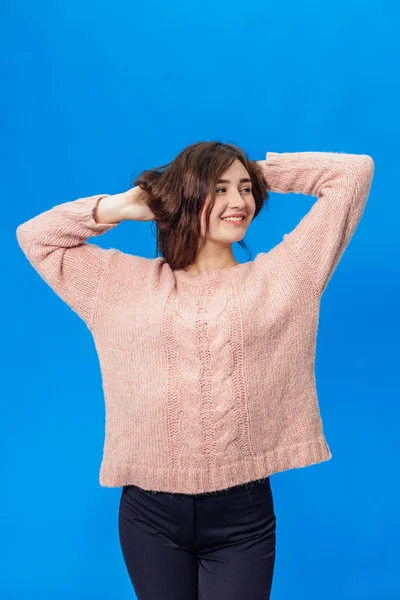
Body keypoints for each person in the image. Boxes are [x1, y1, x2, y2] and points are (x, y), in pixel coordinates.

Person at [16, 141, 375, 599]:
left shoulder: (288, 276)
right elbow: (36, 236)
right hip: (149, 516)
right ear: (188, 195)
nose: (238, 201)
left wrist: (258, 172)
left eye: (244, 190)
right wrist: (123, 206)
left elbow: (354, 174)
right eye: (220, 189)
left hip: (242, 516)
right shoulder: (121, 286)